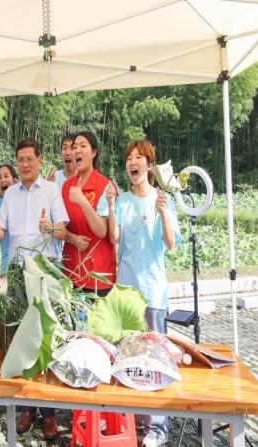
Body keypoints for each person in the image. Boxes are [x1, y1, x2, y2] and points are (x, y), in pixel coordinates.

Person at [0, 138, 69, 440]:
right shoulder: (10, 193)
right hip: (16, 271)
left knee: (44, 340)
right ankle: (26, 408)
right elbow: (0, 230)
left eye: (29, 159)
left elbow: (62, 230)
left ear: (39, 160)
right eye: (20, 160)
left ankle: (48, 413)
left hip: (44, 271)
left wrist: (49, 227)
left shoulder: (51, 190)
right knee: (20, 340)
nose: (24, 164)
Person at [107, 139, 182, 447]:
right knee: (130, 357)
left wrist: (163, 213)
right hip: (126, 291)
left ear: (149, 165)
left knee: (156, 360)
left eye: (139, 158)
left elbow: (170, 244)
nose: (132, 162)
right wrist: (110, 206)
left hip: (152, 291)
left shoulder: (161, 199)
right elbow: (113, 237)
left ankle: (158, 428)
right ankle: (136, 420)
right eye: (129, 158)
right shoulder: (123, 200)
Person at [62, 131, 116, 296]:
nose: (76, 150)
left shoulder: (105, 185)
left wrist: (82, 201)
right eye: (74, 147)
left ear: (93, 152)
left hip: (98, 275)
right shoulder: (66, 187)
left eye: (82, 146)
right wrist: (72, 238)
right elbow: (61, 228)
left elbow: (102, 231)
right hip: (71, 273)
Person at [0, 164, 18, 273]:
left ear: (15, 180)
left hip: (25, 264)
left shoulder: (25, 201)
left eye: (6, 176)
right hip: (5, 266)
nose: (2, 180)